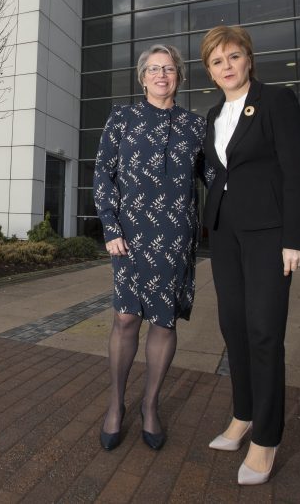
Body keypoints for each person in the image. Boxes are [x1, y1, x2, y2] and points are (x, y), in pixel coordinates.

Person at [200, 25, 300, 485]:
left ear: (248, 59)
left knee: (265, 332)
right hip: (225, 235)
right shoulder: (211, 115)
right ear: (210, 71)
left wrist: (296, 237)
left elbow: (295, 170)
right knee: (235, 328)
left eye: (233, 57)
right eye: (216, 61)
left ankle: (266, 438)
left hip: (269, 235)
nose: (226, 67)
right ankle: (242, 415)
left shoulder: (276, 100)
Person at [93, 44, 209, 452]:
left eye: (169, 68)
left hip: (175, 237)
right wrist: (109, 225)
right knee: (126, 318)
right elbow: (102, 172)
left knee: (164, 322)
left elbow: (214, 176)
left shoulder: (196, 126)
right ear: (142, 78)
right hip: (129, 236)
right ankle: (115, 405)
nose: (162, 75)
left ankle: (151, 405)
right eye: (154, 69)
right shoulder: (121, 118)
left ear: (179, 76)